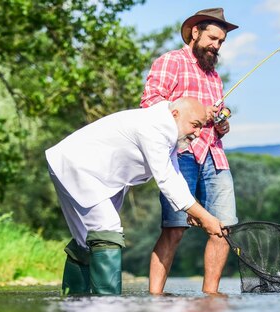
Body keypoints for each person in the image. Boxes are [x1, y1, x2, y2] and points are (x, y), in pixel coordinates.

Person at [46, 98, 224, 295]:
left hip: (90, 174)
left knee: (85, 243)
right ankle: (107, 306)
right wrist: (205, 217)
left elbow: (175, 175)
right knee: (107, 229)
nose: (198, 133)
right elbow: (166, 180)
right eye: (195, 125)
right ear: (175, 115)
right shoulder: (155, 128)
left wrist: (195, 210)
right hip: (78, 167)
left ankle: (75, 304)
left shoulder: (167, 133)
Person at [141, 8, 239, 295]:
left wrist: (221, 122)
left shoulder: (215, 77)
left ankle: (211, 296)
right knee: (174, 228)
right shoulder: (171, 61)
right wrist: (194, 111)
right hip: (180, 153)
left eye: (221, 42)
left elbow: (216, 119)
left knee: (222, 228)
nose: (216, 46)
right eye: (212, 38)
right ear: (195, 32)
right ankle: (155, 296)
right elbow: (150, 103)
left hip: (215, 155)